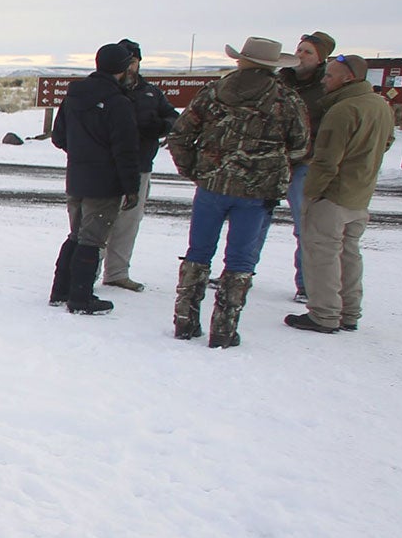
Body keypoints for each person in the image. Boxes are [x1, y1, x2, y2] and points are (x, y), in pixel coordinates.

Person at [165, 36, 310, 347]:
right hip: (257, 194)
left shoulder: (213, 92)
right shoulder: (287, 99)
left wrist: (196, 171)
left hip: (212, 187)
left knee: (198, 253)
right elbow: (299, 146)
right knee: (241, 260)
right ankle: (225, 329)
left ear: (241, 60)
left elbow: (179, 134)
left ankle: (185, 321)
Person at [286, 55, 394, 334]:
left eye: (330, 76)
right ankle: (349, 311)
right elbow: (387, 141)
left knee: (322, 254)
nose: (324, 80)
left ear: (348, 78)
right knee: (349, 253)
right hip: (359, 195)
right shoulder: (379, 106)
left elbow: (326, 161)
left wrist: (311, 195)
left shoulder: (343, 110)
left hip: (332, 196)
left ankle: (324, 314)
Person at [48, 42, 141, 316]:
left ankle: (61, 290)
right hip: (104, 181)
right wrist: (131, 187)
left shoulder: (74, 95)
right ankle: (80, 297)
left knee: (76, 235)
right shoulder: (118, 102)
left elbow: (59, 137)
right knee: (92, 238)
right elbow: (126, 149)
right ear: (123, 69)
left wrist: (80, 153)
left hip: (77, 175)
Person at [101, 38, 179, 290]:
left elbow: (172, 117)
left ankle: (117, 272)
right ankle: (86, 272)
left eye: (133, 61)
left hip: (140, 164)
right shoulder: (105, 90)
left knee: (129, 221)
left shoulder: (150, 92)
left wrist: (160, 126)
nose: (129, 67)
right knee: (98, 221)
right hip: (106, 165)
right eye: (125, 61)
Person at [278, 30, 335, 299]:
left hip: (304, 165)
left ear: (321, 58)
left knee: (304, 226)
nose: (300, 55)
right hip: (275, 162)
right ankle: (240, 273)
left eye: (308, 52)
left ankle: (305, 283)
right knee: (256, 218)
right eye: (299, 50)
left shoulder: (326, 89)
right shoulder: (281, 81)